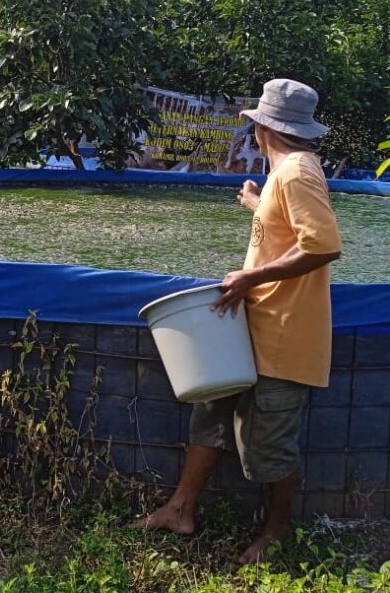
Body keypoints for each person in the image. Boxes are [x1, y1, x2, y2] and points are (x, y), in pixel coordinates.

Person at [136, 78, 342, 564]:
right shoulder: (287, 174)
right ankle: (180, 509)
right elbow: (293, 228)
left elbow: (323, 245)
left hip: (284, 336)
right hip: (249, 329)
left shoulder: (296, 173)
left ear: (261, 128)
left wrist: (251, 279)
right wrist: (257, 204)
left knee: (267, 446)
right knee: (209, 416)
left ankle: (277, 530)